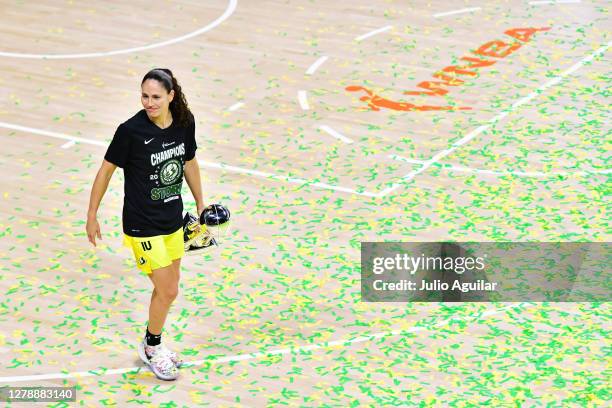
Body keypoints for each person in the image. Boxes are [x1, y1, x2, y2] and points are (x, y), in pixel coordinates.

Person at [86, 68, 204, 381]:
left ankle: (154, 343)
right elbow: (105, 170)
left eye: (155, 97)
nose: (149, 102)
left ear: (170, 96)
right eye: (144, 96)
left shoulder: (184, 122)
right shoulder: (131, 131)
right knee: (167, 289)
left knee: (168, 291)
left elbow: (189, 161)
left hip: (172, 220)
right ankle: (152, 347)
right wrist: (92, 214)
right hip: (142, 225)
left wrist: (201, 203)